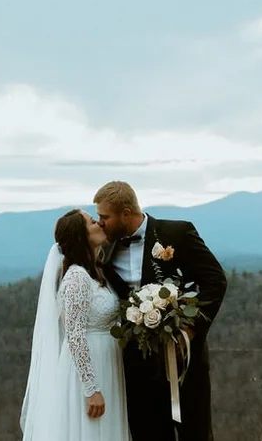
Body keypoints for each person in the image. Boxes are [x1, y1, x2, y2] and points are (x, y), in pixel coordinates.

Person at [95, 181, 228, 441]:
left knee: (196, 434)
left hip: (184, 361)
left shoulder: (177, 233)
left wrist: (190, 329)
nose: (100, 222)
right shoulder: (105, 248)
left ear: (125, 213)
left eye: (104, 216)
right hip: (135, 365)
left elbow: (215, 281)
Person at [20, 208, 131, 441]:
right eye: (92, 222)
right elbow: (75, 335)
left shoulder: (96, 272)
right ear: (81, 235)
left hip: (108, 365)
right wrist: (91, 389)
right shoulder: (76, 277)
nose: (99, 224)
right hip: (89, 372)